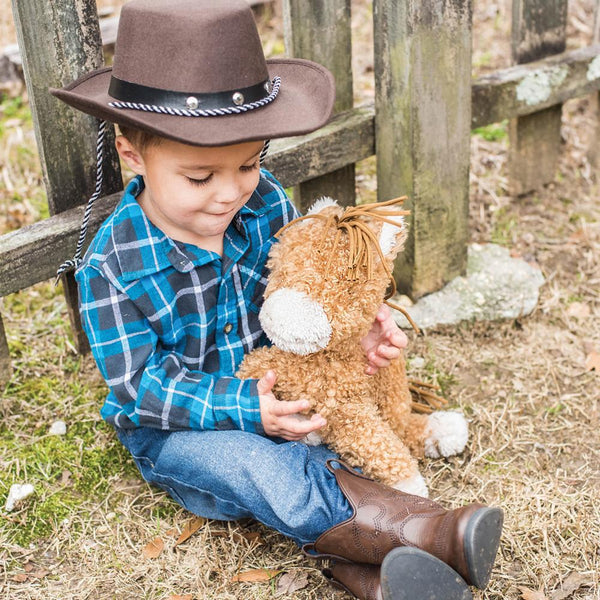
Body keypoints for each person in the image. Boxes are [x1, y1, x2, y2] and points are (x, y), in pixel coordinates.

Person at [51, 1, 503, 599]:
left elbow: (303, 295)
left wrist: (352, 330)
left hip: (291, 386)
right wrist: (248, 410)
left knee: (337, 419)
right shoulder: (114, 264)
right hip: (184, 428)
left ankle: (377, 578)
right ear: (133, 154)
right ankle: (429, 533)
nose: (231, 192)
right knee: (259, 467)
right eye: (200, 177)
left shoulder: (263, 202)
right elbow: (140, 389)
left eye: (248, 162)